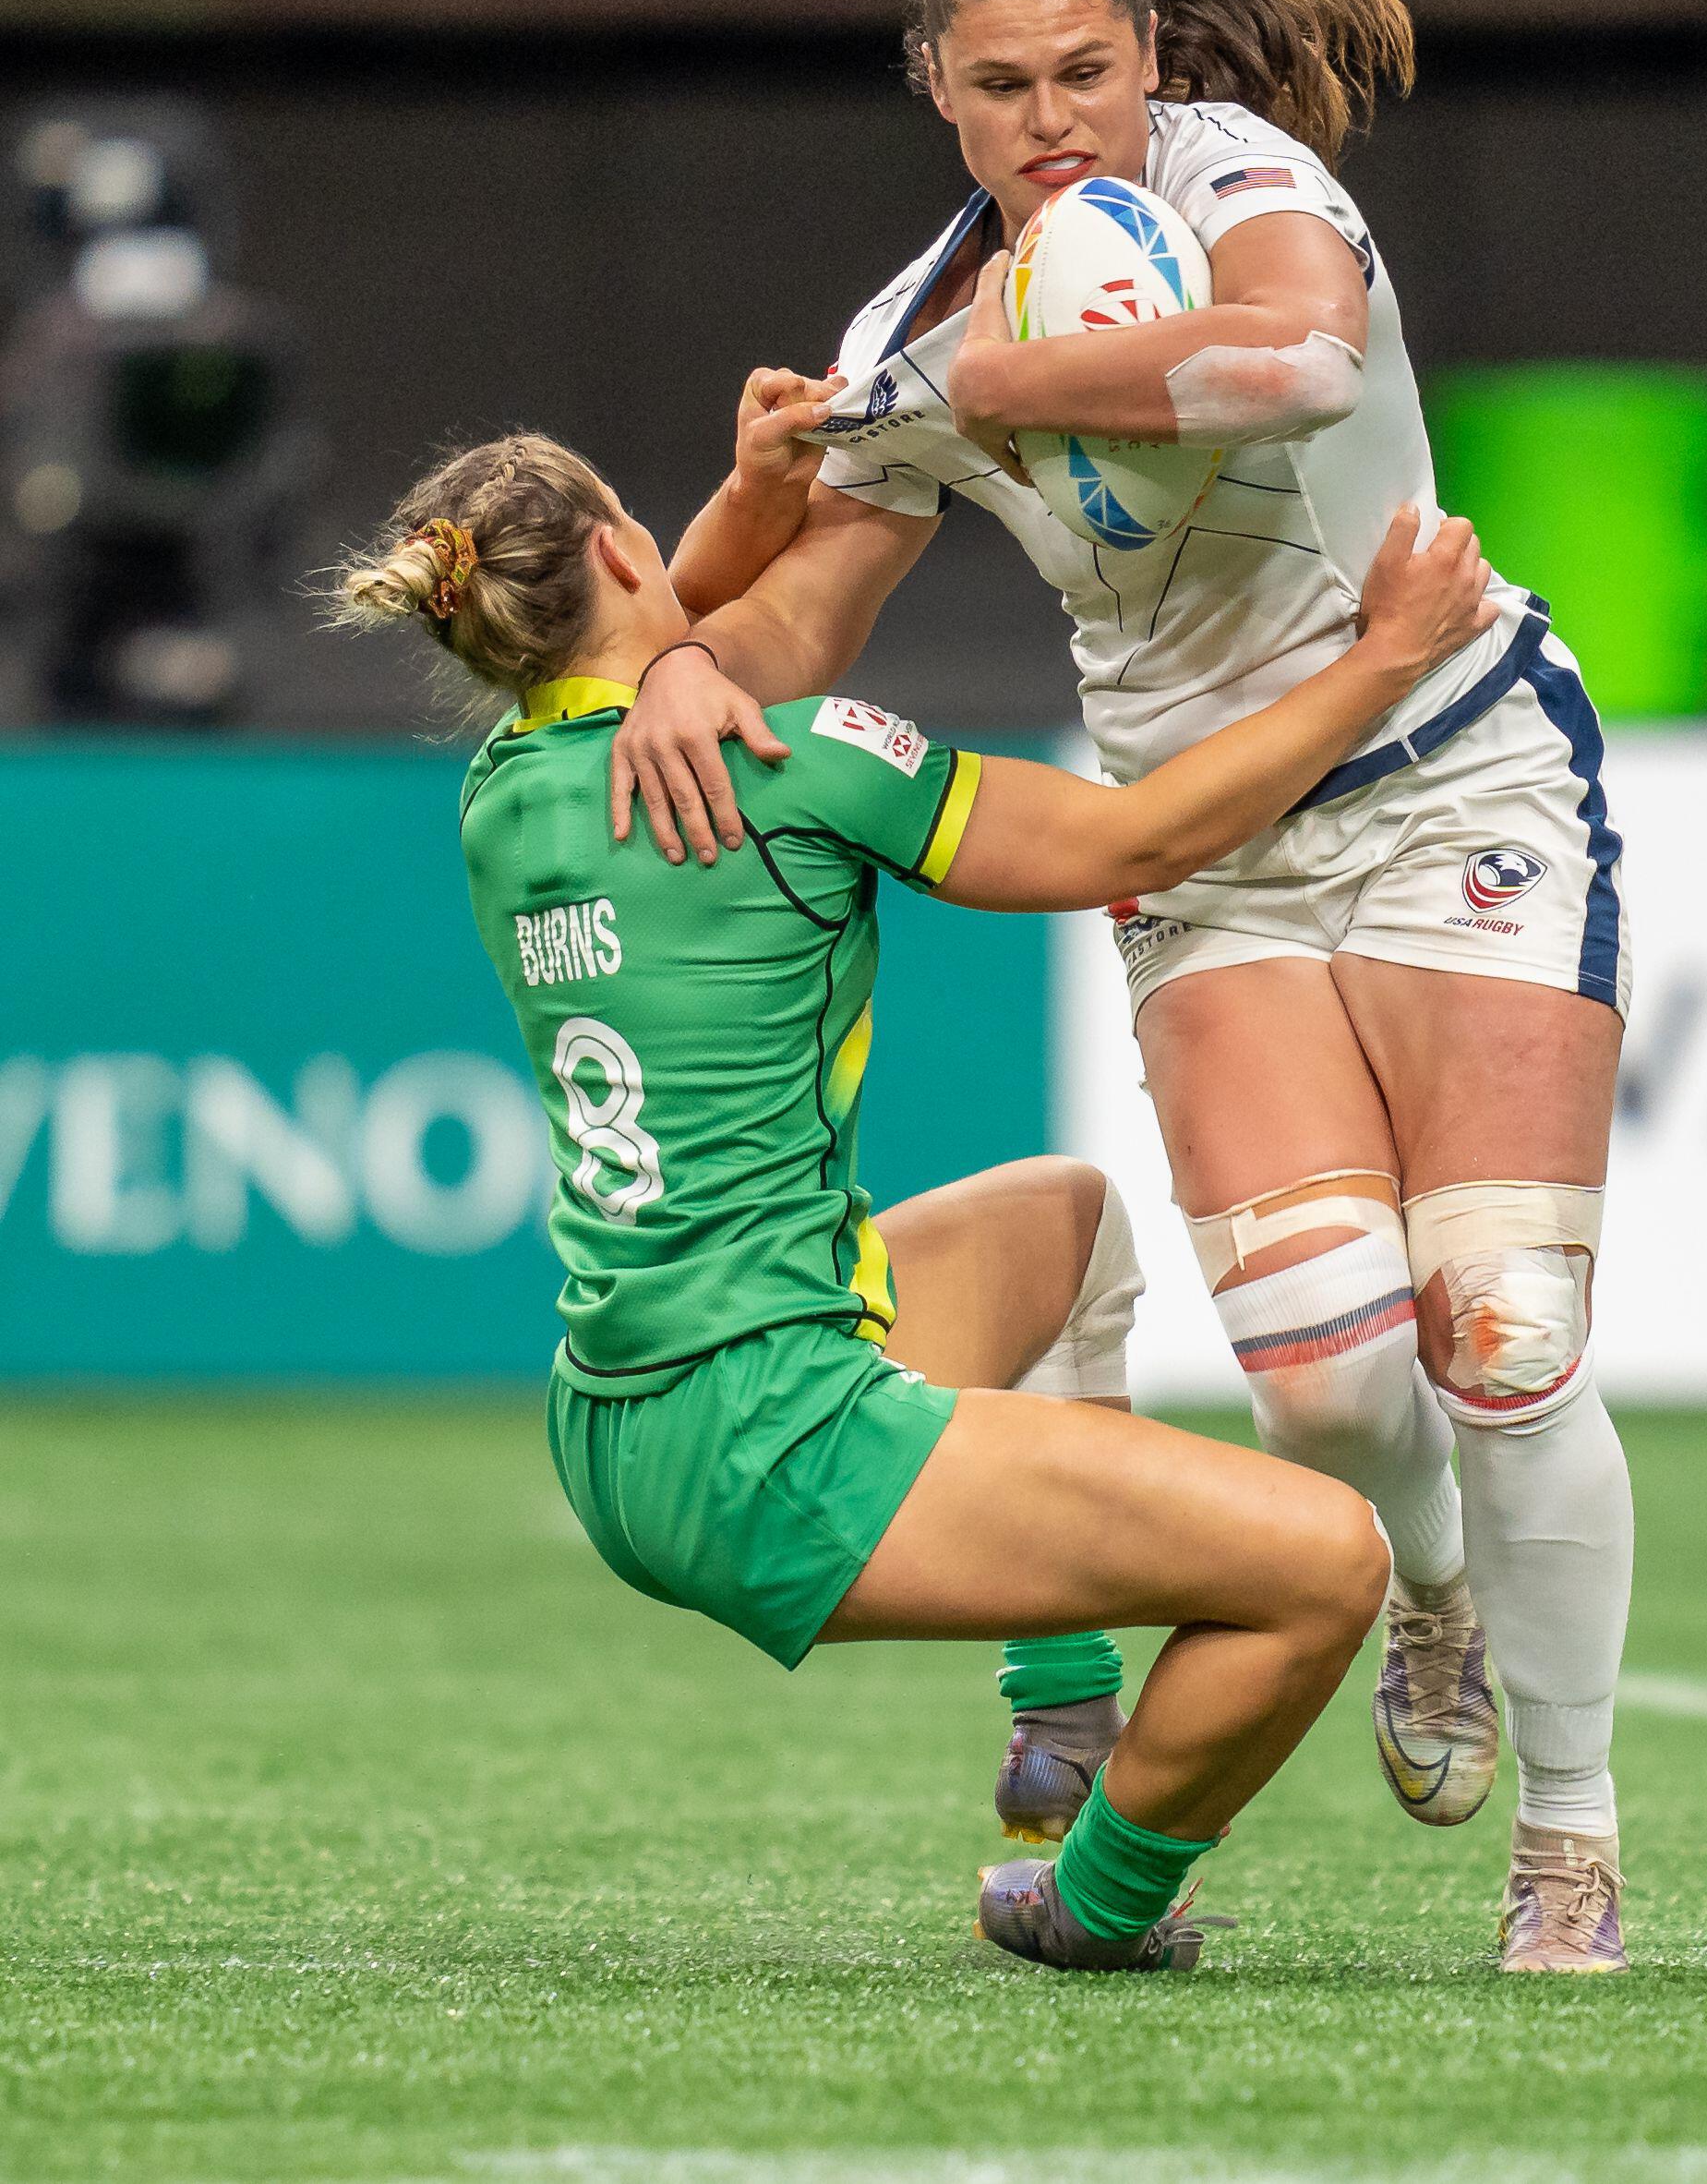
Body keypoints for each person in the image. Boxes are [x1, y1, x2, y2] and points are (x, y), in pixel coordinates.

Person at [607, 0, 1639, 1973]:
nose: (1052, 115)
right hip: (1213, 842)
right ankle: (1427, 1593)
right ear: (936, 92)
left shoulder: (1238, 176)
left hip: (1454, 762)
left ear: (1147, 55)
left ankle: (1568, 1832)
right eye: (1001, 85)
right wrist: (686, 663)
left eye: (1087, 67)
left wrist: (998, 394)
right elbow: (796, 617)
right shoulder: (910, 333)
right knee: (1339, 1385)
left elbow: (1286, 361)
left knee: (1504, 1328)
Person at [332, 429, 1495, 1975]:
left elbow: (724, 618)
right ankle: (1098, 1902)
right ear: (624, 555)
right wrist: (1386, 657)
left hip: (619, 1410)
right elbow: (1132, 842)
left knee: (1065, 1225)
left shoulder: (503, 795)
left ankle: (1064, 1724)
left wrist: (771, 489)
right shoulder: (786, 762)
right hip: (774, 1439)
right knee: (1325, 1566)